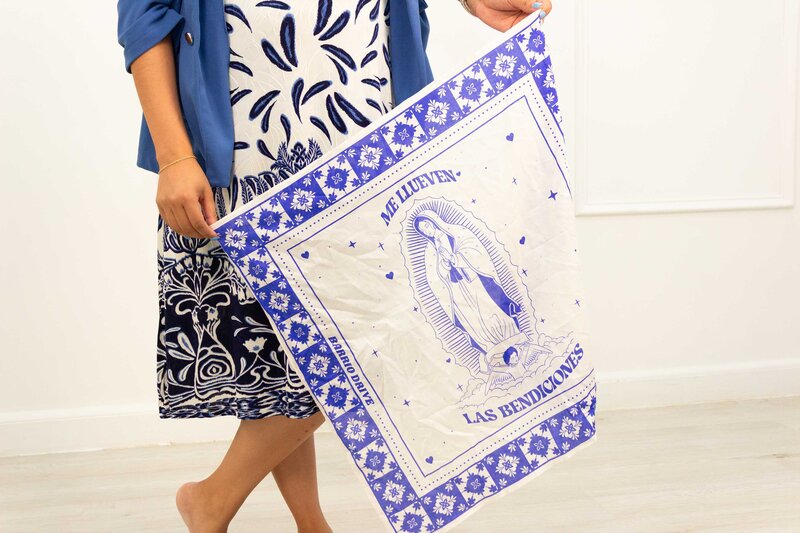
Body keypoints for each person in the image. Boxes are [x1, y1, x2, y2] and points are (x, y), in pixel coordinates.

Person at [116, 0, 552, 531]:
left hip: (369, 126)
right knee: (291, 351)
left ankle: (229, 504)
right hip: (248, 138)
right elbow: (145, 15)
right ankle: (252, 511)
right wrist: (174, 156)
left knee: (357, 339)